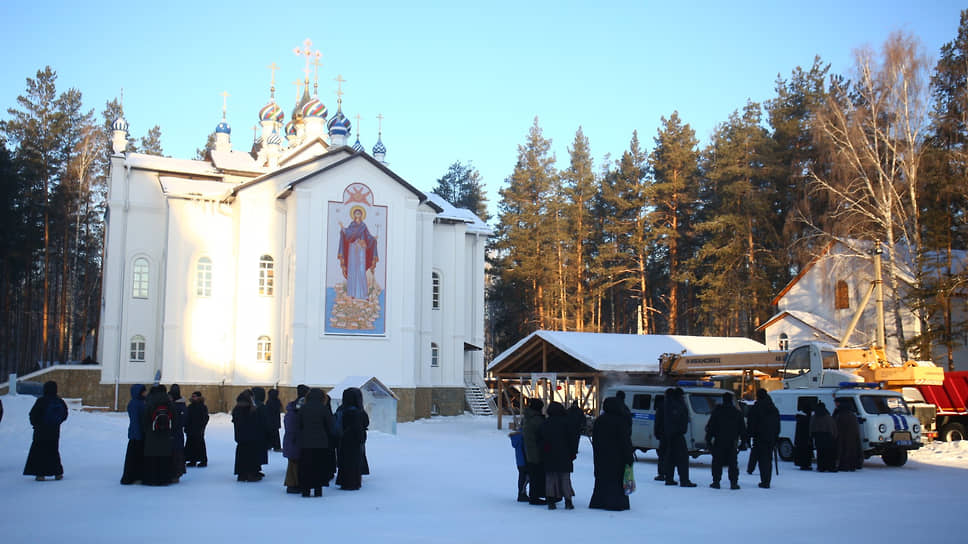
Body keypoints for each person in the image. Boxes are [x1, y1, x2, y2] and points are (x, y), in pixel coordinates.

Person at [588, 397, 634, 511]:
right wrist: (629, 457)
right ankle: (615, 502)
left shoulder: (599, 420)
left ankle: (599, 501)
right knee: (616, 480)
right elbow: (625, 441)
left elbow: (595, 440)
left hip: (601, 456)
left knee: (601, 479)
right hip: (617, 457)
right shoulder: (621, 421)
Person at [23, 380, 68, 481]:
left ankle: (40, 474)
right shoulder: (59, 401)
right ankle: (58, 473)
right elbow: (64, 414)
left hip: (41, 431)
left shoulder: (41, 401)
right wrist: (57, 423)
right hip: (54, 431)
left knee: (40, 452)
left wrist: (36, 424)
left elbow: (33, 415)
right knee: (53, 452)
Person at [539, 401, 579, 510]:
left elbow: (541, 439)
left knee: (550, 478)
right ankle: (568, 500)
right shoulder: (567, 422)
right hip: (565, 453)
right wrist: (573, 452)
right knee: (565, 478)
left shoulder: (545, 423)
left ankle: (551, 500)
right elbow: (573, 439)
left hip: (549, 454)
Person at [298, 387, 336, 497]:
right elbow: (330, 425)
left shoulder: (303, 408)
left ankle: (306, 489)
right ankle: (318, 489)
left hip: (305, 442)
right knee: (319, 466)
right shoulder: (323, 409)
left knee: (306, 466)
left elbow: (299, 424)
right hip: (321, 442)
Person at [705, 392, 747, 490]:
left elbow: (711, 427)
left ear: (723, 400)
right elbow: (742, 429)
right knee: (732, 463)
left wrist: (708, 440)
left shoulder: (717, 412)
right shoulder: (737, 413)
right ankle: (733, 483)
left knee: (717, 462)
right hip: (732, 442)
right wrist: (744, 442)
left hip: (719, 441)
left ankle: (716, 482)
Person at [338, 206, 379, 300]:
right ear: (354, 215)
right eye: (356, 213)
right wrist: (342, 228)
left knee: (361, 270)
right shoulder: (352, 225)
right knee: (353, 269)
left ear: (361, 215)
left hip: (361, 249)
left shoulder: (363, 226)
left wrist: (373, 239)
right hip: (353, 249)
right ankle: (352, 293)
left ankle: (364, 294)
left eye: (359, 213)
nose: (358, 215)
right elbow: (348, 233)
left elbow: (368, 236)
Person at [746, 388, 780, 488]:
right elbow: (777, 424)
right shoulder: (773, 408)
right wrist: (776, 436)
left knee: (760, 459)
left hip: (759, 437)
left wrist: (748, 436)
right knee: (767, 460)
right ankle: (766, 480)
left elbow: (751, 423)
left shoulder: (756, 408)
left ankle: (763, 480)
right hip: (770, 437)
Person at [664, 387, 696, 487]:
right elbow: (680, 419)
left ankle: (669, 478)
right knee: (682, 459)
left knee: (671, 458)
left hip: (669, 434)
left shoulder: (667, 404)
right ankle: (684, 480)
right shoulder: (679, 405)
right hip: (678, 435)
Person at [142, 384, 174, 486]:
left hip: (152, 435)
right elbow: (175, 420)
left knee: (152, 459)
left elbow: (145, 419)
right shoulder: (169, 402)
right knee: (164, 459)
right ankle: (164, 479)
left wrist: (146, 431)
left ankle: (151, 479)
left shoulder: (149, 402)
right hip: (165, 435)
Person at [335, 387, 366, 490]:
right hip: (354, 440)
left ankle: (343, 481)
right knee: (354, 462)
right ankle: (353, 483)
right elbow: (364, 423)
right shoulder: (357, 411)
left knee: (344, 461)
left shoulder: (341, 409)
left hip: (342, 439)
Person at [233, 390, 264, 482]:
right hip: (250, 436)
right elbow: (252, 422)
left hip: (241, 437)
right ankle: (250, 474)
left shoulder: (237, 408)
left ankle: (242, 474)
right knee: (250, 455)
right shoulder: (249, 409)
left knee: (242, 454)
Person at [283, 385, 309, 493]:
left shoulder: (291, 408)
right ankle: (295, 484)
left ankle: (292, 484)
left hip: (291, 438)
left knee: (293, 462)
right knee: (297, 462)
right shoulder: (302, 407)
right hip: (297, 438)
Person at [521, 398, 547, 505]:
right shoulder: (537, 420)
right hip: (537, 451)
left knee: (533, 474)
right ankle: (535, 497)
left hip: (529, 450)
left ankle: (534, 495)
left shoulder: (528, 418)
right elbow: (543, 434)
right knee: (537, 475)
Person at [120, 384, 147, 484]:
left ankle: (137, 475)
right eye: (144, 391)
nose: (145, 393)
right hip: (136, 436)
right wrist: (138, 435)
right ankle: (131, 477)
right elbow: (135, 421)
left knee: (138, 458)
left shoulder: (141, 402)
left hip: (140, 434)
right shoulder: (134, 404)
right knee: (134, 458)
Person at [834, 398, 864, 471]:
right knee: (851, 449)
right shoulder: (851, 413)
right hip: (852, 435)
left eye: (836, 403)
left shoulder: (841, 413)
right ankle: (852, 465)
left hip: (843, 435)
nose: (835, 404)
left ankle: (845, 465)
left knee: (844, 449)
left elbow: (837, 424)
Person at [810, 402, 838, 472]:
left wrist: (811, 436)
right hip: (828, 436)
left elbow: (811, 427)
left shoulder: (814, 416)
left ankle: (821, 467)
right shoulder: (828, 416)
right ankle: (830, 467)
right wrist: (834, 436)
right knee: (829, 452)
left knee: (820, 452)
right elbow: (833, 427)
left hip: (818, 436)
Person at [185, 391, 209, 467]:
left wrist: (202, 427)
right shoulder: (190, 407)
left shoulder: (202, 407)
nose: (193, 397)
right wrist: (186, 427)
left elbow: (205, 418)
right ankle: (192, 460)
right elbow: (187, 418)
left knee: (200, 445)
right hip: (191, 429)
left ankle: (203, 461)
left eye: (195, 396)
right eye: (192, 396)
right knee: (190, 445)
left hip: (199, 429)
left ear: (199, 397)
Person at [168, 384, 187, 482]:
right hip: (177, 433)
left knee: (175, 453)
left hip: (174, 433)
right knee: (177, 453)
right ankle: (176, 473)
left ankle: (175, 474)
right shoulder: (181, 404)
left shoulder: (175, 404)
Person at [654, 389, 671, 482]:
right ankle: (669, 474)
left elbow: (658, 420)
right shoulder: (677, 405)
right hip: (673, 435)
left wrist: (657, 432)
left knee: (662, 455)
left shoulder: (662, 406)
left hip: (663, 434)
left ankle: (661, 474)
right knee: (671, 455)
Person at [508, 426, 529, 502]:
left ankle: (522, 493)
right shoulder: (524, 434)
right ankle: (522, 494)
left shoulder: (517, 435)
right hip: (525, 460)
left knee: (522, 477)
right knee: (525, 478)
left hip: (520, 461)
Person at [252, 386, 270, 467]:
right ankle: (256, 467)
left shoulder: (254, 405)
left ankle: (257, 468)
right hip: (260, 432)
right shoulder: (260, 406)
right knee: (258, 451)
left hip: (256, 432)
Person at [793, 404, 814, 471]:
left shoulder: (800, 419)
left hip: (800, 440)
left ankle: (803, 464)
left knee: (802, 452)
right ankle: (806, 465)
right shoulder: (808, 419)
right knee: (807, 452)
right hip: (806, 440)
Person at [266, 388, 283, 452]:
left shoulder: (269, 401)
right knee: (275, 434)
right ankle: (276, 447)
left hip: (270, 421)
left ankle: (269, 445)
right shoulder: (277, 401)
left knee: (270, 433)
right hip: (275, 421)